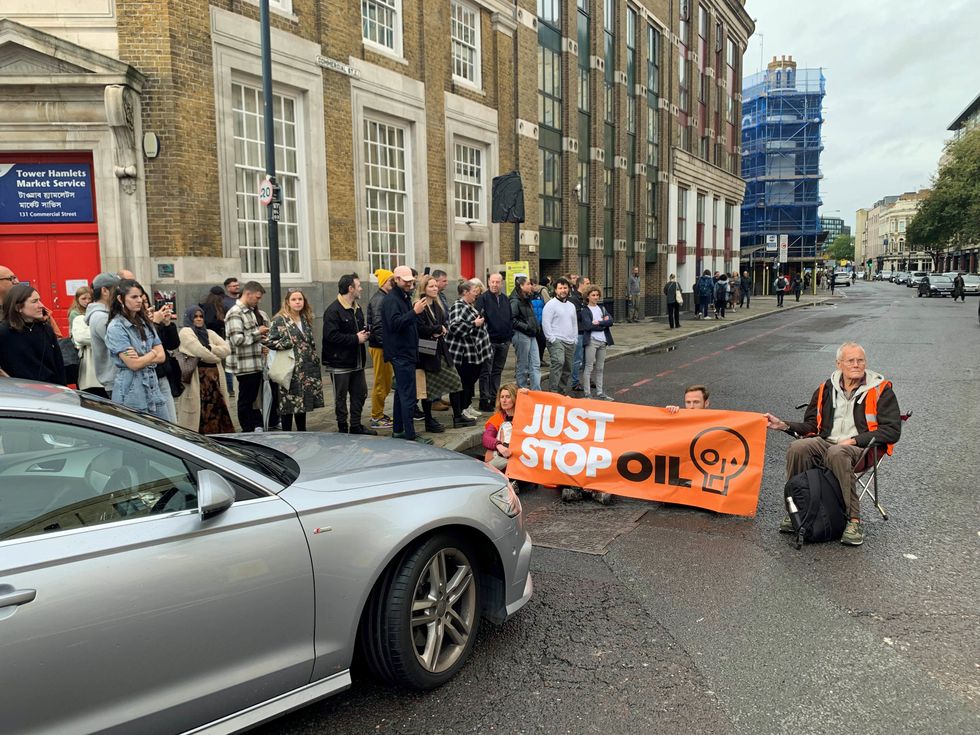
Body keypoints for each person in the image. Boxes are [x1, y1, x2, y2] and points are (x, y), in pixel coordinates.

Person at [764, 342, 902, 547]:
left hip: (863, 449)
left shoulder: (881, 390)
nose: (856, 364)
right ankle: (798, 510)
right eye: (850, 360)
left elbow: (892, 430)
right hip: (827, 443)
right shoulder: (825, 389)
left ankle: (854, 521)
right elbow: (811, 426)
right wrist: (783, 425)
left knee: (838, 452)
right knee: (798, 448)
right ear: (839, 364)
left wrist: (855, 440)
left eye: (860, 360)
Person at [382, 265, 432, 444]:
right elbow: (395, 324)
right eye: (405, 281)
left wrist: (414, 312)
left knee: (401, 393)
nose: (409, 284)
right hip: (401, 353)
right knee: (408, 395)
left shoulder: (402, 297)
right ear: (396, 280)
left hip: (405, 352)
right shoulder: (391, 300)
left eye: (411, 281)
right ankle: (410, 435)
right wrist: (414, 312)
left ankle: (398, 431)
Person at [105, 279, 168, 418]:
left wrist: (142, 356)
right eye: (134, 297)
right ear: (120, 299)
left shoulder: (146, 323)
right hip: (131, 391)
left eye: (140, 296)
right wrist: (152, 352)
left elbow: (162, 356)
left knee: (164, 433)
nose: (139, 300)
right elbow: (134, 364)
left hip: (153, 387)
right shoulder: (116, 327)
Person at [263, 288, 323, 432]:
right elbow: (269, 341)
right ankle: (287, 434)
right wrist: (287, 343)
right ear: (288, 302)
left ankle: (302, 432)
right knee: (288, 404)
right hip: (289, 368)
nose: (297, 302)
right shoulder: (279, 320)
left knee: (302, 404)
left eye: (300, 299)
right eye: (294, 299)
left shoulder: (305, 318)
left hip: (306, 368)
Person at [321, 277, 371, 435]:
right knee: (341, 398)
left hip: (357, 362)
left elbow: (358, 329)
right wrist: (356, 338)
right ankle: (342, 428)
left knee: (360, 393)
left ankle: (355, 426)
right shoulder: (333, 310)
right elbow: (331, 336)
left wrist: (366, 332)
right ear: (350, 288)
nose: (361, 288)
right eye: (359, 286)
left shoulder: (357, 307)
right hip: (339, 362)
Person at [175, 305, 234, 434]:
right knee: (198, 415)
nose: (199, 319)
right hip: (197, 379)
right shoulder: (185, 332)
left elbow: (227, 349)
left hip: (215, 380)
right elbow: (199, 351)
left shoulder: (210, 333)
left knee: (218, 411)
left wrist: (210, 347)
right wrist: (216, 357)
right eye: (195, 317)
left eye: (201, 316)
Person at [415, 274, 462, 433]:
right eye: (431, 286)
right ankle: (429, 420)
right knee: (427, 389)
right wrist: (436, 329)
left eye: (436, 286)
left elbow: (442, 324)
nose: (435, 289)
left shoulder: (437, 304)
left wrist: (440, 329)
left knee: (455, 381)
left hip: (441, 348)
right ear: (423, 288)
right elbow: (419, 328)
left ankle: (458, 416)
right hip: (426, 351)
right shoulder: (419, 305)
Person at [225, 281, 271, 433]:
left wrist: (261, 344)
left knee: (251, 400)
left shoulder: (248, 311)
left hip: (253, 362)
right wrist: (258, 333)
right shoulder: (235, 312)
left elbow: (250, 339)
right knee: (245, 400)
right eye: (257, 297)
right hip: (244, 365)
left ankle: (253, 428)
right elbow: (237, 340)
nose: (258, 301)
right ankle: (247, 431)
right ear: (248, 293)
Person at [0, 283, 66, 384]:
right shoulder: (4, 332)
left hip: (51, 392)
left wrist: (63, 390)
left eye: (40, 300)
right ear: (18, 307)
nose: (41, 305)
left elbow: (58, 365)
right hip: (21, 395)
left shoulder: (46, 329)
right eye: (35, 301)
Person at [446, 280, 491, 426]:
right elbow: (455, 328)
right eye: (473, 291)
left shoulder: (468, 305)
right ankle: (460, 412)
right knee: (462, 383)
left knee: (468, 383)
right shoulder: (458, 306)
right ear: (465, 292)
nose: (476, 294)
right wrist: (474, 324)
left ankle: (465, 407)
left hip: (473, 353)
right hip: (462, 354)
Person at [476, 272, 513, 412]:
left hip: (504, 341)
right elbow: (478, 317)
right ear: (488, 282)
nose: (494, 285)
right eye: (492, 282)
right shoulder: (483, 299)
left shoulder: (505, 299)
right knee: (486, 371)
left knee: (497, 371)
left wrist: (509, 335)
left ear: (501, 283)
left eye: (497, 282)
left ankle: (494, 397)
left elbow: (510, 317)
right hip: (489, 341)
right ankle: (484, 400)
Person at [83, 272, 121, 398]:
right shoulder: (100, 317)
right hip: (116, 381)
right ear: (105, 291)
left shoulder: (109, 314)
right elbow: (122, 345)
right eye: (117, 290)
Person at [367, 268, 395, 429]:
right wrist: (387, 346)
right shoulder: (380, 300)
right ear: (385, 282)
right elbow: (378, 325)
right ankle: (376, 416)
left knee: (384, 381)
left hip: (382, 346)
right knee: (381, 381)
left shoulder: (383, 297)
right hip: (380, 347)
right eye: (392, 280)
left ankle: (379, 414)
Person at [542, 277, 578, 395]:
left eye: (565, 288)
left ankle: (561, 392)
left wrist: (575, 338)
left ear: (568, 289)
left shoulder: (571, 305)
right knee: (558, 362)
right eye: (560, 288)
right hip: (556, 340)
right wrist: (551, 338)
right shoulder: (551, 305)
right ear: (556, 290)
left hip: (570, 341)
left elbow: (574, 323)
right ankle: (552, 392)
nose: (563, 290)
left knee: (568, 369)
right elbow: (545, 323)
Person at [579, 285, 614, 400]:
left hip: (603, 342)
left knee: (600, 368)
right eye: (593, 295)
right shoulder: (585, 310)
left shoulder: (602, 308)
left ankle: (600, 392)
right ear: (587, 296)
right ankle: (587, 394)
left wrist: (597, 323)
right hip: (592, 341)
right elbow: (588, 326)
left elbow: (611, 321)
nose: (595, 297)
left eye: (597, 295)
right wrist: (602, 323)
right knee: (589, 367)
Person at [510, 275, 541, 391]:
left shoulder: (527, 298)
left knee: (535, 364)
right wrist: (527, 327)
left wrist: (534, 328)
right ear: (521, 286)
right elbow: (512, 320)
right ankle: (522, 391)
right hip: (521, 334)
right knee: (523, 366)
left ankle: (537, 392)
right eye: (528, 284)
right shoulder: (515, 300)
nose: (531, 286)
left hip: (531, 334)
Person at [482, 383, 520, 472]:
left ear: (515, 399)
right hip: (503, 457)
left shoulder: (525, 417)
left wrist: (526, 395)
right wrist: (498, 445)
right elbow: (486, 437)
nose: (504, 400)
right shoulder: (498, 417)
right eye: (502, 397)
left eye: (508, 397)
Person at [569, 276, 590, 391]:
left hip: (587, 332)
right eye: (587, 283)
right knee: (577, 359)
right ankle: (575, 382)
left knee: (587, 359)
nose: (589, 285)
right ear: (581, 284)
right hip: (578, 332)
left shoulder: (586, 298)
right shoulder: (574, 299)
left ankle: (587, 380)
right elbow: (576, 316)